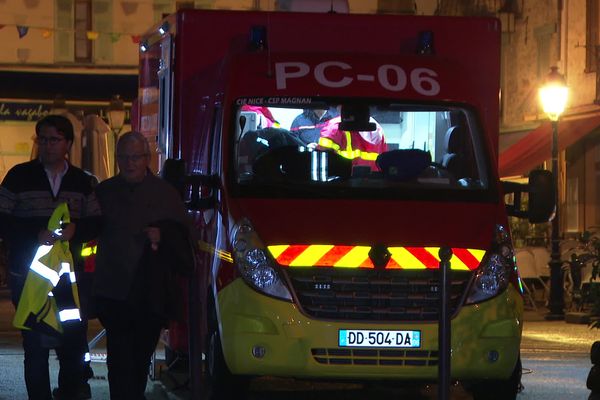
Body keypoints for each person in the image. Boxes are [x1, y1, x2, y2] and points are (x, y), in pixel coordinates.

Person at [0, 114, 100, 400]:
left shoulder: (82, 182)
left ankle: (68, 392)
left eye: (54, 139)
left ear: (67, 143)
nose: (47, 145)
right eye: (42, 139)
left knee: (71, 343)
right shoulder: (19, 176)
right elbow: (2, 217)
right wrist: (35, 233)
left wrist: (76, 230)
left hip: (70, 280)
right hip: (28, 278)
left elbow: (98, 221)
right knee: (34, 345)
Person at [93, 131, 194, 400]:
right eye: (123, 157)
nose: (129, 163)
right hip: (114, 291)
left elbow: (186, 243)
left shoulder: (165, 194)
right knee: (119, 360)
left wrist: (163, 236)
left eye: (135, 157)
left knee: (138, 359)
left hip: (150, 293)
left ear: (147, 158)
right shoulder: (104, 193)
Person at [318, 104, 387, 170]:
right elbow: (383, 160)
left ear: (342, 108)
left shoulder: (333, 128)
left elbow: (321, 161)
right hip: (374, 180)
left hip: (343, 181)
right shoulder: (378, 129)